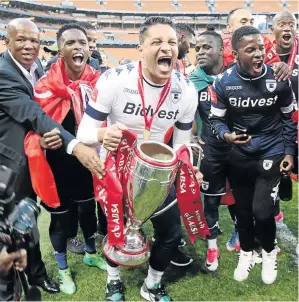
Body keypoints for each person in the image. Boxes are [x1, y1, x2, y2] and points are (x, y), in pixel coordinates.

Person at [77, 16, 201, 301]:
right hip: (117, 170)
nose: (166, 48)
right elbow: (84, 130)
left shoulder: (186, 91)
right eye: (156, 42)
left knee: (170, 233)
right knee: (115, 231)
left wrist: (189, 167)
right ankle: (114, 281)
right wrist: (101, 134)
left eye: (171, 42)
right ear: (140, 49)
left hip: (159, 171)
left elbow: (182, 143)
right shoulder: (114, 80)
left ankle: (152, 284)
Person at [0, 18, 104, 300]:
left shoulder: (35, 68)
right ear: (6, 41)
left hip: (44, 156)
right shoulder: (7, 73)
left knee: (37, 224)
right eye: (21, 39)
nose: (29, 45)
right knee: (16, 230)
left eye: (34, 40)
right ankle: (16, 286)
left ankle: (39, 274)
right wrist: (74, 145)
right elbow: (35, 115)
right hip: (14, 165)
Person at [210, 26, 296, 284]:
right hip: (239, 156)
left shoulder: (279, 78)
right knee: (244, 214)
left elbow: (289, 118)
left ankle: (269, 254)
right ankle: (246, 253)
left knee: (262, 211)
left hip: (271, 153)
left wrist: (289, 152)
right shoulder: (223, 83)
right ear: (235, 54)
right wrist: (227, 136)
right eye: (251, 50)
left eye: (260, 48)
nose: (258, 54)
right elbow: (216, 121)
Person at [27, 23, 107, 295]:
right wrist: (39, 138)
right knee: (61, 220)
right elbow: (34, 124)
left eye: (82, 43)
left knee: (87, 211)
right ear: (60, 50)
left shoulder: (99, 81)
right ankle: (62, 270)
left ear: (88, 47)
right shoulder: (44, 86)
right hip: (57, 165)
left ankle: (90, 253)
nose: (78, 47)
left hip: (87, 163)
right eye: (71, 43)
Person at [223, 7, 291, 251]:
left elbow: (275, 70)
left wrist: (283, 67)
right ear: (230, 29)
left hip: (265, 140)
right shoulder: (220, 59)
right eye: (244, 20)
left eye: (252, 20)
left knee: (263, 191)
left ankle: (265, 229)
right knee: (237, 192)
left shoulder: (265, 56)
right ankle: (240, 230)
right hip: (234, 137)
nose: (250, 23)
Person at [189, 27, 238, 272]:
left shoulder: (236, 76)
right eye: (197, 48)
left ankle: (242, 236)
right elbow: (185, 116)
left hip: (239, 150)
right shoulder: (193, 81)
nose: (200, 52)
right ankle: (212, 246)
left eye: (206, 47)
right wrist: (191, 135)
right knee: (209, 201)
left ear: (221, 50)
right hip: (210, 152)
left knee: (241, 197)